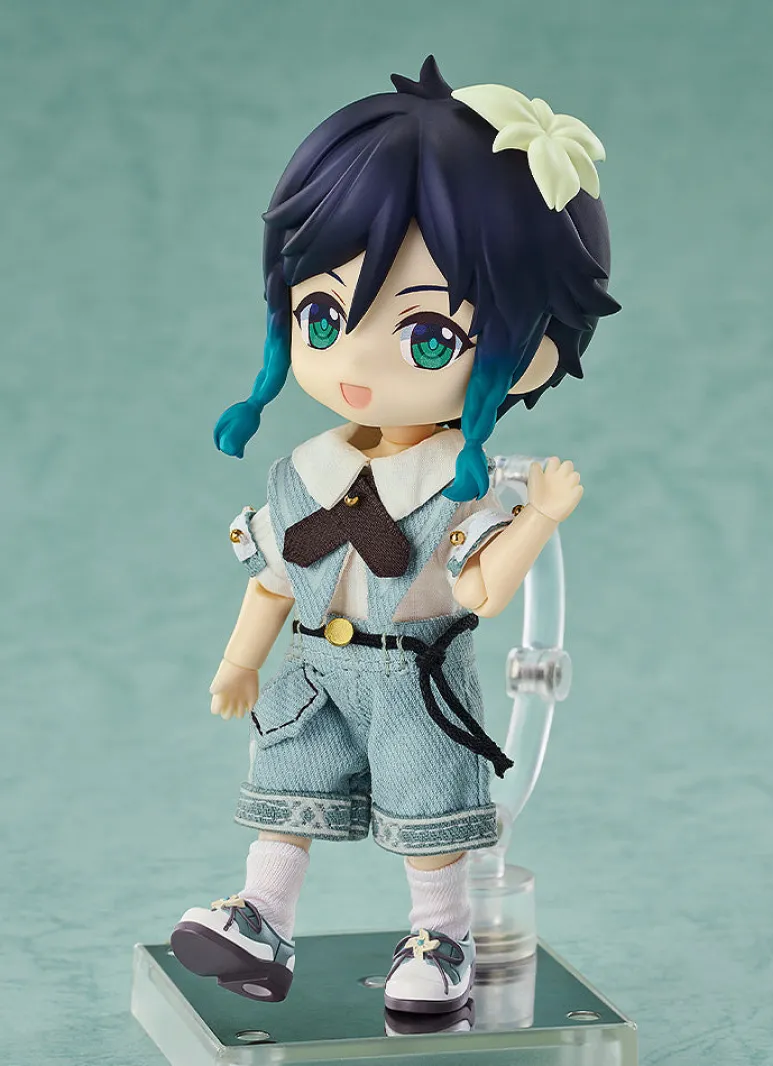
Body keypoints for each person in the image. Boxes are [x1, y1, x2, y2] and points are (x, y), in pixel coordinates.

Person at [170, 55, 619, 1014]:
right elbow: (272, 578)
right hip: (312, 667)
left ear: (530, 348)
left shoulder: (459, 487)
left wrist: (537, 517)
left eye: (426, 337)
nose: (358, 360)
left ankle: (442, 940)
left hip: (415, 675)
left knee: (430, 813)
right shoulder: (302, 472)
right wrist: (240, 662)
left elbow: (480, 592)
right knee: (285, 783)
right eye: (324, 314)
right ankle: (261, 920)